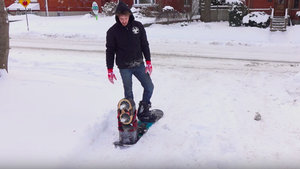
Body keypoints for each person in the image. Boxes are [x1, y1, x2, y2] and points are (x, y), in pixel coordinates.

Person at [106, 1, 156, 122]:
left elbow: (145, 44)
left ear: (129, 15)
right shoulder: (112, 31)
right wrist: (110, 69)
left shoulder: (138, 26)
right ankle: (130, 117)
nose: (123, 20)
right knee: (128, 93)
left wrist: (148, 61)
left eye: (126, 18)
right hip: (124, 67)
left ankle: (144, 110)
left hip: (139, 64)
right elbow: (110, 51)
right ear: (118, 17)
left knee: (149, 86)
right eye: (121, 18)